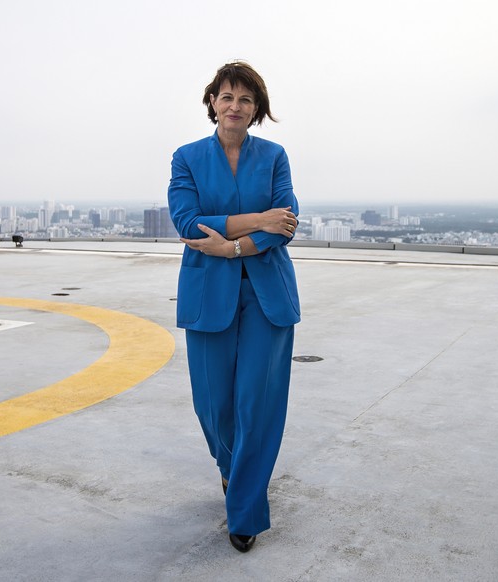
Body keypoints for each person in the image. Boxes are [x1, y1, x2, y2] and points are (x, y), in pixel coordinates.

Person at [167, 61, 301, 553]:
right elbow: (187, 221)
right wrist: (258, 218)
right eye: (227, 97)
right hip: (209, 295)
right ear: (212, 104)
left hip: (268, 295)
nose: (235, 106)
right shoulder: (186, 157)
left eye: (246, 99)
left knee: (256, 405)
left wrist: (232, 244)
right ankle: (231, 471)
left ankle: (244, 511)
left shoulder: (274, 156)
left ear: (256, 109)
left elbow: (286, 222)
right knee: (215, 406)